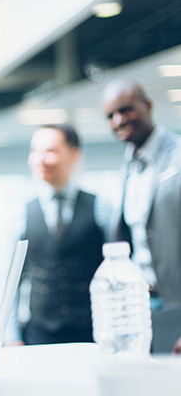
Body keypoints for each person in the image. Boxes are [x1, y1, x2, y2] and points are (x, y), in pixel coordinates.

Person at [5, 124, 107, 346]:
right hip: (39, 335)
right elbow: (12, 282)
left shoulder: (100, 207)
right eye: (34, 151)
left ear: (74, 155)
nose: (39, 159)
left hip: (93, 334)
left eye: (49, 151)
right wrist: (11, 336)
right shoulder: (22, 213)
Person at [102, 79, 181, 352]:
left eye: (125, 109)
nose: (118, 120)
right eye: (110, 115)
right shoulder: (128, 168)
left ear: (147, 105)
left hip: (176, 304)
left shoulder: (178, 156)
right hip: (139, 307)